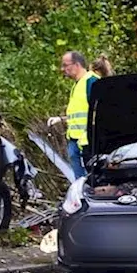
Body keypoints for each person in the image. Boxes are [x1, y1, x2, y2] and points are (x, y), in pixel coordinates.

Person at [48, 51, 99, 179]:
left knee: (90, 181)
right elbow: (79, 116)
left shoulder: (91, 82)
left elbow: (100, 113)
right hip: (76, 141)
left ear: (76, 65)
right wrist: (60, 119)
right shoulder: (77, 85)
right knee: (80, 181)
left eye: (65, 65)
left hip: (88, 144)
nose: (62, 69)